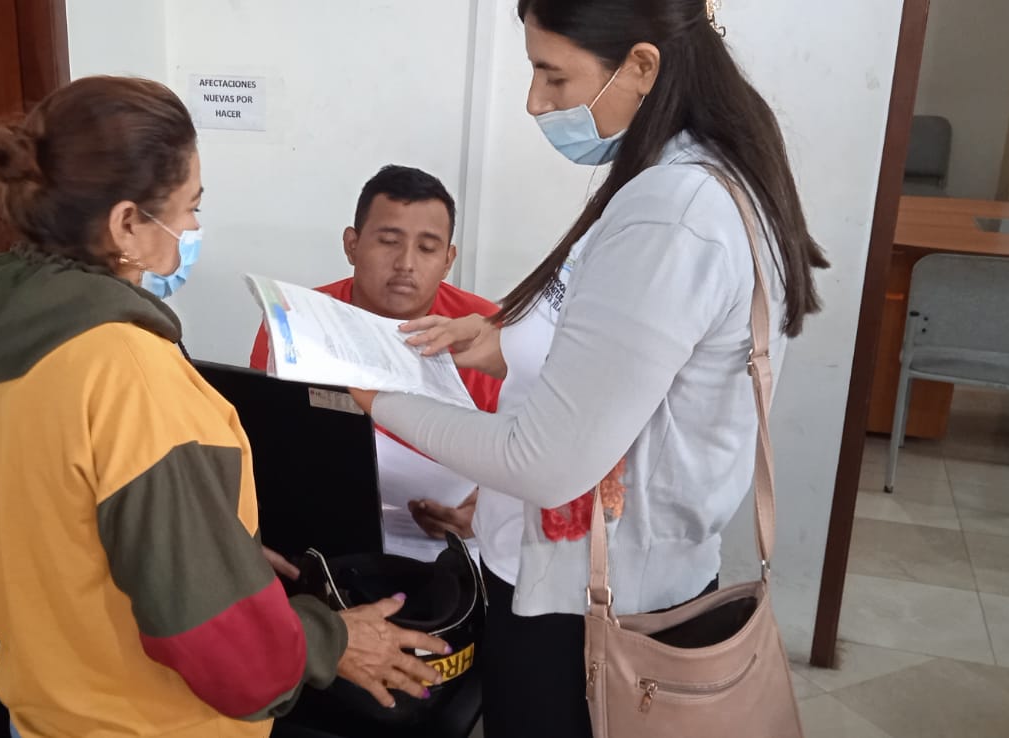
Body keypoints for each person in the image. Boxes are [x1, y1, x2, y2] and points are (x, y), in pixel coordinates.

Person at [349, 1, 830, 735]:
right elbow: (618, 340)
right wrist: (498, 341)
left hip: (587, 610)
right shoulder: (695, 175)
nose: (535, 102)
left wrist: (376, 394)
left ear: (640, 66)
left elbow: (544, 464)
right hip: (613, 582)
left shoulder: (673, 210)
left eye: (553, 75)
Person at [0, 76, 448, 738]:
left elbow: (71, 516)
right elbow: (237, 661)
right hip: (146, 722)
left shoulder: (4, 326)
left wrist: (218, 545)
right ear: (127, 224)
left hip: (45, 704)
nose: (192, 228)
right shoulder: (128, 372)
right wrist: (332, 638)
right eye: (188, 207)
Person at [248, 165, 503, 551]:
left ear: (448, 260)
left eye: (427, 248)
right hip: (319, 534)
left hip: (446, 547)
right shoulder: (292, 321)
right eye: (388, 241)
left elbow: (529, 459)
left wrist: (491, 507)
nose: (406, 263)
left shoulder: (486, 334)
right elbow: (266, 443)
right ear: (352, 245)